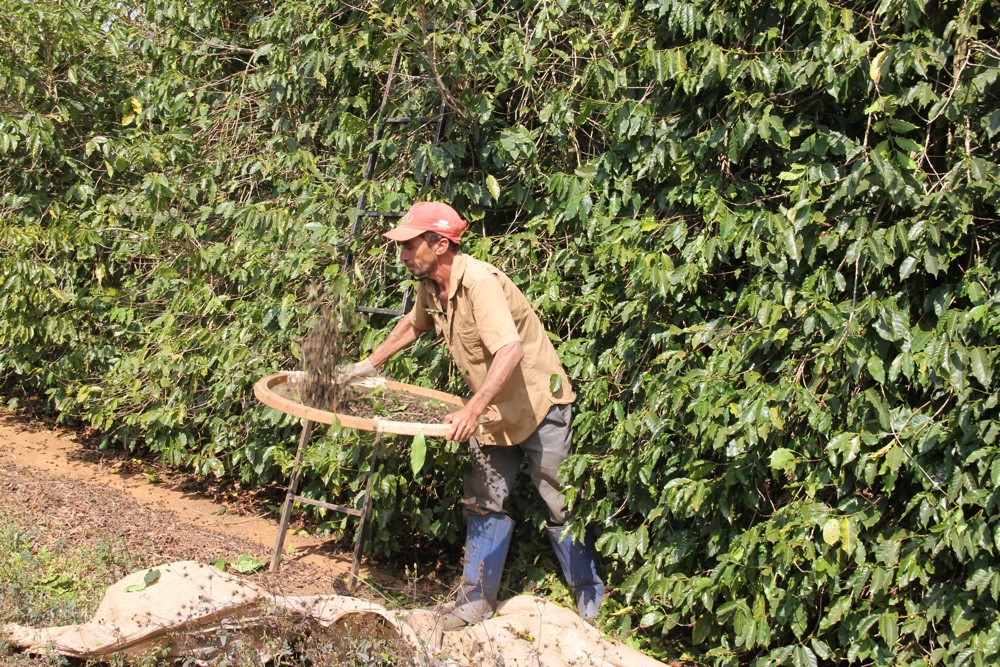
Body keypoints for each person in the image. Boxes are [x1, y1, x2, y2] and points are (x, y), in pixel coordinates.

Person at [341, 201, 604, 625]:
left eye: (410, 246)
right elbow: (413, 325)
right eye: (402, 247)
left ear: (440, 244)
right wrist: (367, 366)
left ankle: (591, 599)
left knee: (560, 503)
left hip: (539, 406)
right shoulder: (431, 285)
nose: (403, 256)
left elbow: (510, 349)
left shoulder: (480, 282)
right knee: (483, 501)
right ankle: (475, 602)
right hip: (493, 413)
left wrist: (472, 407)